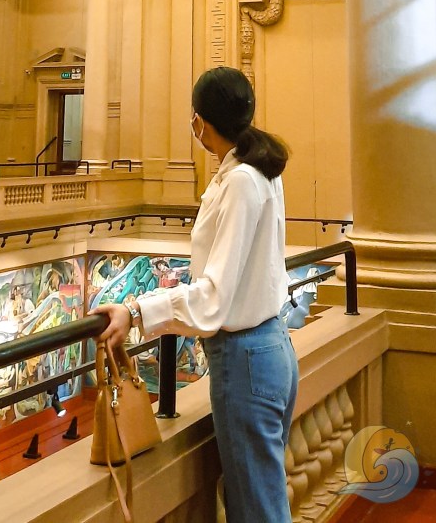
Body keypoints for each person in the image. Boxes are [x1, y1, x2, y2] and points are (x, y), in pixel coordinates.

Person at [91, 66, 297, 523]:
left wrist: (136, 310)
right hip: (269, 347)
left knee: (256, 509)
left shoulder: (242, 180)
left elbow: (213, 298)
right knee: (260, 498)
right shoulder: (259, 170)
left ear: (201, 122)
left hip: (244, 359)